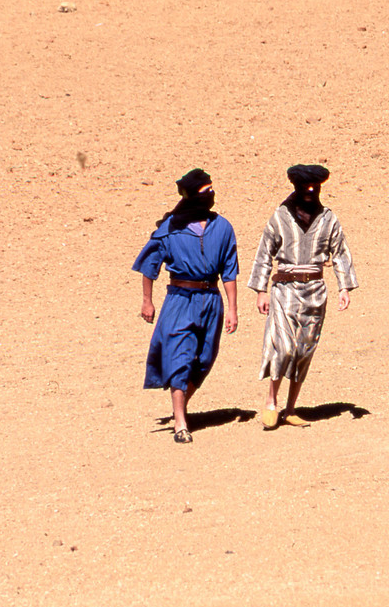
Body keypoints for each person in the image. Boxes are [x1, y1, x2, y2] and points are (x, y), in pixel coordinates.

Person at [133, 169, 239, 443]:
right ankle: (180, 422)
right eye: (207, 191)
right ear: (193, 196)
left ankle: (180, 405)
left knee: (204, 359)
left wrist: (233, 308)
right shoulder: (169, 229)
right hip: (179, 300)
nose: (212, 195)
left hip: (211, 300)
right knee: (180, 357)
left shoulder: (223, 227)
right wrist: (147, 301)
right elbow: (150, 265)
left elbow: (229, 271)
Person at [248, 164, 357, 429]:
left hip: (315, 292)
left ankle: (291, 408)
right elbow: (264, 254)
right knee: (282, 346)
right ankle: (271, 402)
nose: (310, 193)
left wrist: (344, 287)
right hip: (285, 289)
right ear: (296, 189)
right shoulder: (280, 217)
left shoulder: (328, 219)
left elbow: (339, 252)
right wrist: (261, 290)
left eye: (314, 189)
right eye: (305, 189)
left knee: (304, 349)